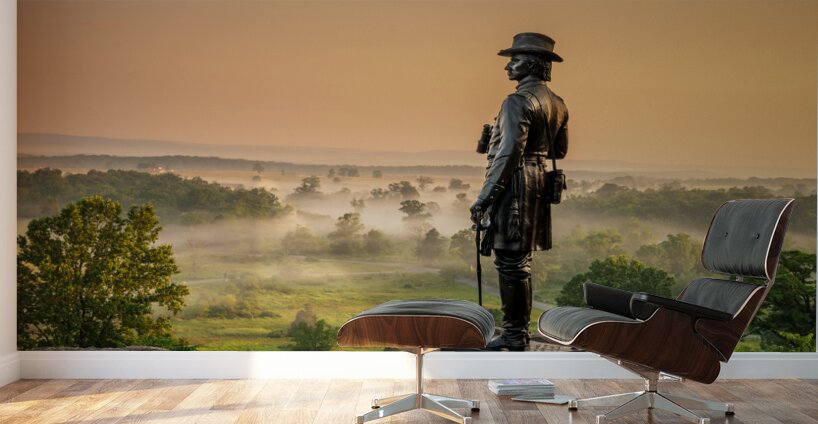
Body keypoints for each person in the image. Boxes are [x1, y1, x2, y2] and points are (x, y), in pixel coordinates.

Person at [470, 32, 569, 351]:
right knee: (518, 262)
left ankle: (514, 335)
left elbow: (509, 153)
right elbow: (560, 150)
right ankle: (517, 332)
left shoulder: (517, 101)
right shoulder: (557, 103)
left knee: (510, 263)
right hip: (537, 183)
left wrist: (484, 197)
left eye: (514, 60)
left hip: (515, 186)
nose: (508, 66)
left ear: (532, 63)